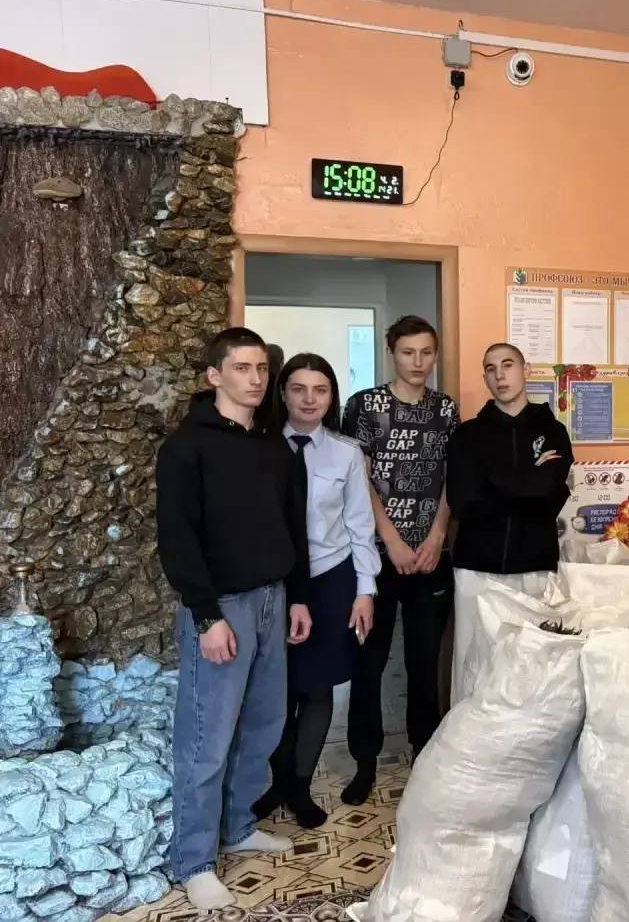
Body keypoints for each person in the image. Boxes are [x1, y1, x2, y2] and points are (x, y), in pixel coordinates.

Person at [155, 327, 311, 910]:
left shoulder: (276, 448)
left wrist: (298, 597)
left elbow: (294, 529)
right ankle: (194, 860)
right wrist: (206, 615)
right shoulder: (185, 448)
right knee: (206, 737)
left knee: (264, 725)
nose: (255, 378)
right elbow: (177, 538)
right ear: (214, 375)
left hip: (273, 599)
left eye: (261, 368)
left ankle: (238, 826)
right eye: (242, 368)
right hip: (221, 608)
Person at [253, 354, 379, 828]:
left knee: (318, 686)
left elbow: (360, 526)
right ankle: (278, 782)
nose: (309, 399)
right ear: (282, 393)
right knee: (276, 689)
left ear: (332, 397)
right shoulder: (261, 447)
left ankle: (300, 786)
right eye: (299, 389)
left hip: (331, 579)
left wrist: (365, 590)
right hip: (275, 580)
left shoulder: (346, 453)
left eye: (320, 390)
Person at [339, 316, 458, 805]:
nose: (418, 362)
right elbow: (360, 479)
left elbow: (451, 477)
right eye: (408, 352)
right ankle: (364, 762)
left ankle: (424, 755)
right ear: (392, 353)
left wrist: (436, 535)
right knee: (368, 661)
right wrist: (391, 541)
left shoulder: (445, 408)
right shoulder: (364, 406)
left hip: (432, 556)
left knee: (424, 664)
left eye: (426, 352)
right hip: (376, 556)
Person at [447, 342, 573, 693]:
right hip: (477, 569)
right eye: (490, 368)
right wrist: (527, 477)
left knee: (531, 672)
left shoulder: (553, 432)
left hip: (535, 566)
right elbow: (463, 502)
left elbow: (548, 493)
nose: (500, 375)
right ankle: (466, 731)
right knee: (474, 668)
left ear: (525, 370)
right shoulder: (467, 435)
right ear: (485, 377)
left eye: (508, 365)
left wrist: (491, 479)